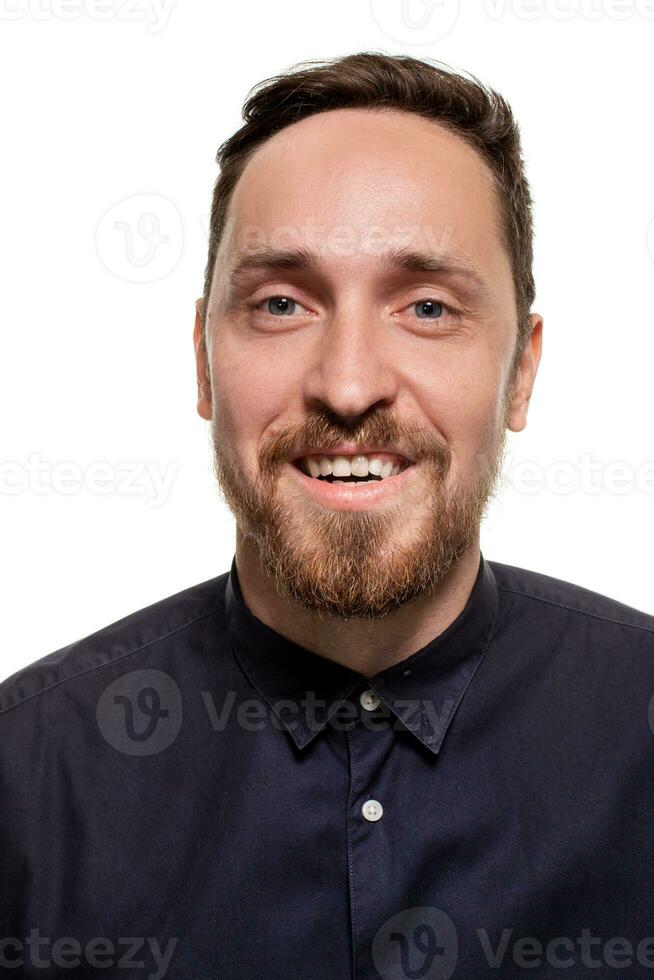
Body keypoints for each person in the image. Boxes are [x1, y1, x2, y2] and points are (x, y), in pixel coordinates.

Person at [2, 51, 653, 980]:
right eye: (280, 304)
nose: (348, 385)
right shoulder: (26, 784)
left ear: (523, 371)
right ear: (202, 361)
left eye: (427, 306)